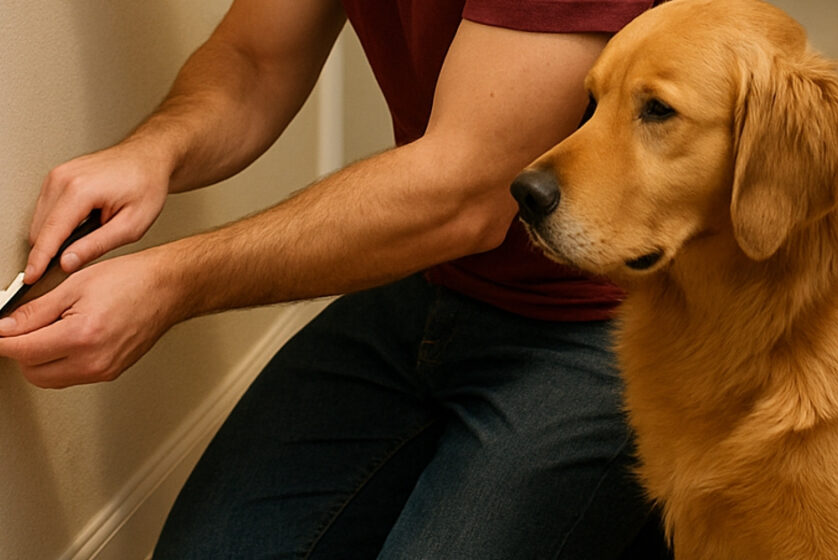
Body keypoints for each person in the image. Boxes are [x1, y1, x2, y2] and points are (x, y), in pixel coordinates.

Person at [0, 1, 670, 558]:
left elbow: (465, 196)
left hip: (608, 322)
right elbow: (255, 59)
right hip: (433, 284)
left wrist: (170, 283)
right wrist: (154, 149)